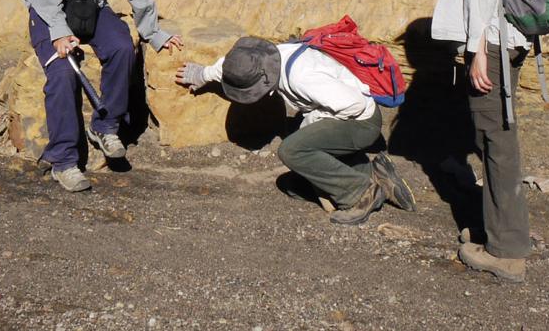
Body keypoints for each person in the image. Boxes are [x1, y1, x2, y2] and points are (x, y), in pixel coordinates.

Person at [431, 0, 538, 283]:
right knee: (498, 135)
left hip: (491, 39)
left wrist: (476, 50)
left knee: (497, 141)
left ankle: (507, 250)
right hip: (509, 36)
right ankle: (499, 230)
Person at [24, 0, 182, 192]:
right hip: (49, 9)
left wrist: (154, 34)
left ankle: (105, 126)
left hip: (91, 9)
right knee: (63, 73)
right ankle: (64, 161)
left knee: (123, 46)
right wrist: (59, 33)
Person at [175, 36, 415, 225]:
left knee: (292, 150)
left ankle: (361, 193)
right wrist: (202, 74)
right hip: (347, 115)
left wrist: (312, 124)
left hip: (361, 121)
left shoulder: (303, 77)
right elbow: (233, 67)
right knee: (294, 186)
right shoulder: (269, 57)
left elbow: (354, 104)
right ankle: (373, 173)